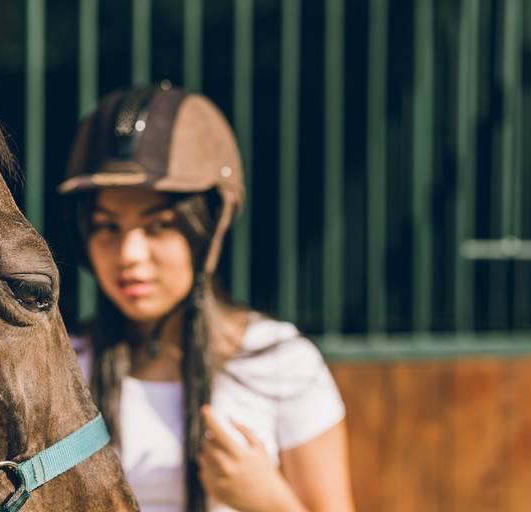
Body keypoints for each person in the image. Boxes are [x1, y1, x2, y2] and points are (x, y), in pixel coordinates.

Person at [57, 83, 355, 512]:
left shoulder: (280, 362)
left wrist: (268, 501)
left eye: (157, 226)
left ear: (206, 230)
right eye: (107, 227)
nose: (129, 255)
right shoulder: (63, 363)